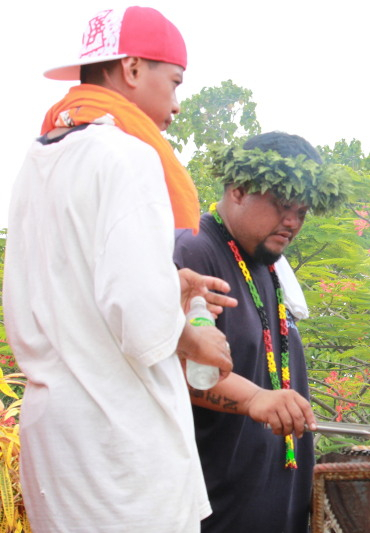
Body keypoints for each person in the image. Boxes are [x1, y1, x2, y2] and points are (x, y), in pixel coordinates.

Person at [3, 7, 236, 532]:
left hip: (58, 437)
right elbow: (138, 319)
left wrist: (168, 284)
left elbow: (70, 289)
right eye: (174, 82)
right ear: (131, 69)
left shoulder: (37, 164)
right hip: (117, 441)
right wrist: (193, 338)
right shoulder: (126, 156)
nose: (176, 105)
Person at [173, 131, 350, 532]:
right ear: (238, 190)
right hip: (214, 512)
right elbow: (166, 369)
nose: (292, 222)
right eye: (282, 205)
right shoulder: (193, 251)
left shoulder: (268, 267)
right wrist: (255, 398)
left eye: (302, 212)